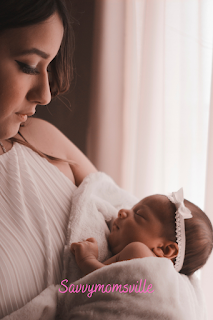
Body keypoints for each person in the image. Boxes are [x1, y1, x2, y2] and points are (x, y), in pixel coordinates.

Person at [0, 0, 97, 318]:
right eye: (29, 65)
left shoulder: (44, 140)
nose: (44, 93)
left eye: (49, 65)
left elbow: (154, 255)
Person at [71, 188, 213, 277]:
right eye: (132, 208)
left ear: (165, 249)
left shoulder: (139, 253)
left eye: (138, 214)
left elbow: (100, 282)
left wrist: (87, 259)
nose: (122, 212)